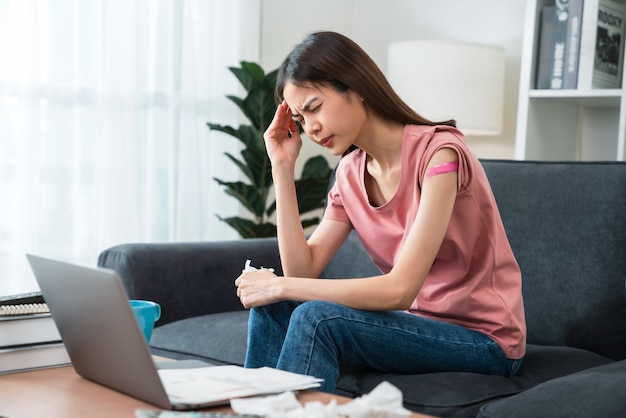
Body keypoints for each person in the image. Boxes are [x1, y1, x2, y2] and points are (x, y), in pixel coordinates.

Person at [234, 31, 526, 393]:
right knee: (272, 306)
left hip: (484, 341)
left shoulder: (440, 155)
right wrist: (281, 166)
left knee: (316, 316)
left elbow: (399, 291)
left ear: (356, 87)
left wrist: (279, 285)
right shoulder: (351, 172)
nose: (310, 128)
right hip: (415, 326)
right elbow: (302, 271)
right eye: (299, 118)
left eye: (314, 108)